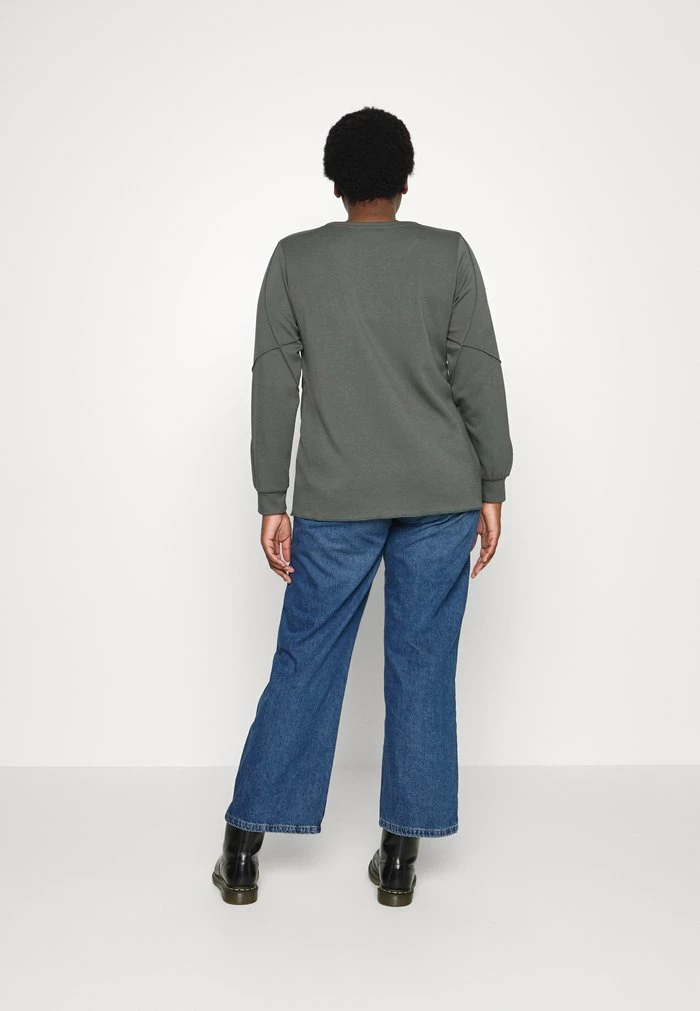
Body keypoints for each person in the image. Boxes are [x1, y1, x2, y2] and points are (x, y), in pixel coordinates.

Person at [212, 106, 513, 907]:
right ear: (405, 180)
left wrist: (271, 498)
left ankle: (241, 851)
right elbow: (478, 375)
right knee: (423, 668)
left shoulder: (296, 259)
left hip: (335, 499)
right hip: (442, 495)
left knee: (304, 662)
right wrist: (493, 483)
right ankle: (401, 860)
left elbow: (274, 380)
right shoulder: (447, 256)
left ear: (335, 182)